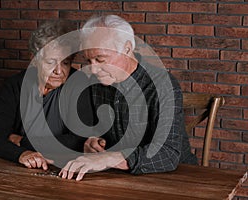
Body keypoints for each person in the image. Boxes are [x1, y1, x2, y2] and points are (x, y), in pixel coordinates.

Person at [59, 15, 197, 181]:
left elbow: (167, 153)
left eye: (100, 59)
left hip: (174, 178)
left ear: (126, 49)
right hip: (120, 178)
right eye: (89, 60)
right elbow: (95, 129)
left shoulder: (162, 85)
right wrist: (92, 142)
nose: (93, 69)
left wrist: (110, 159)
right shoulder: (95, 82)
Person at [0, 20, 91, 170]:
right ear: (34, 60)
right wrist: (21, 154)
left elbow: (78, 140)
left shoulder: (78, 83)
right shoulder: (16, 85)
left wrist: (22, 142)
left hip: (64, 169)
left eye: (65, 63)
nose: (59, 71)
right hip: (20, 168)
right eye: (51, 62)